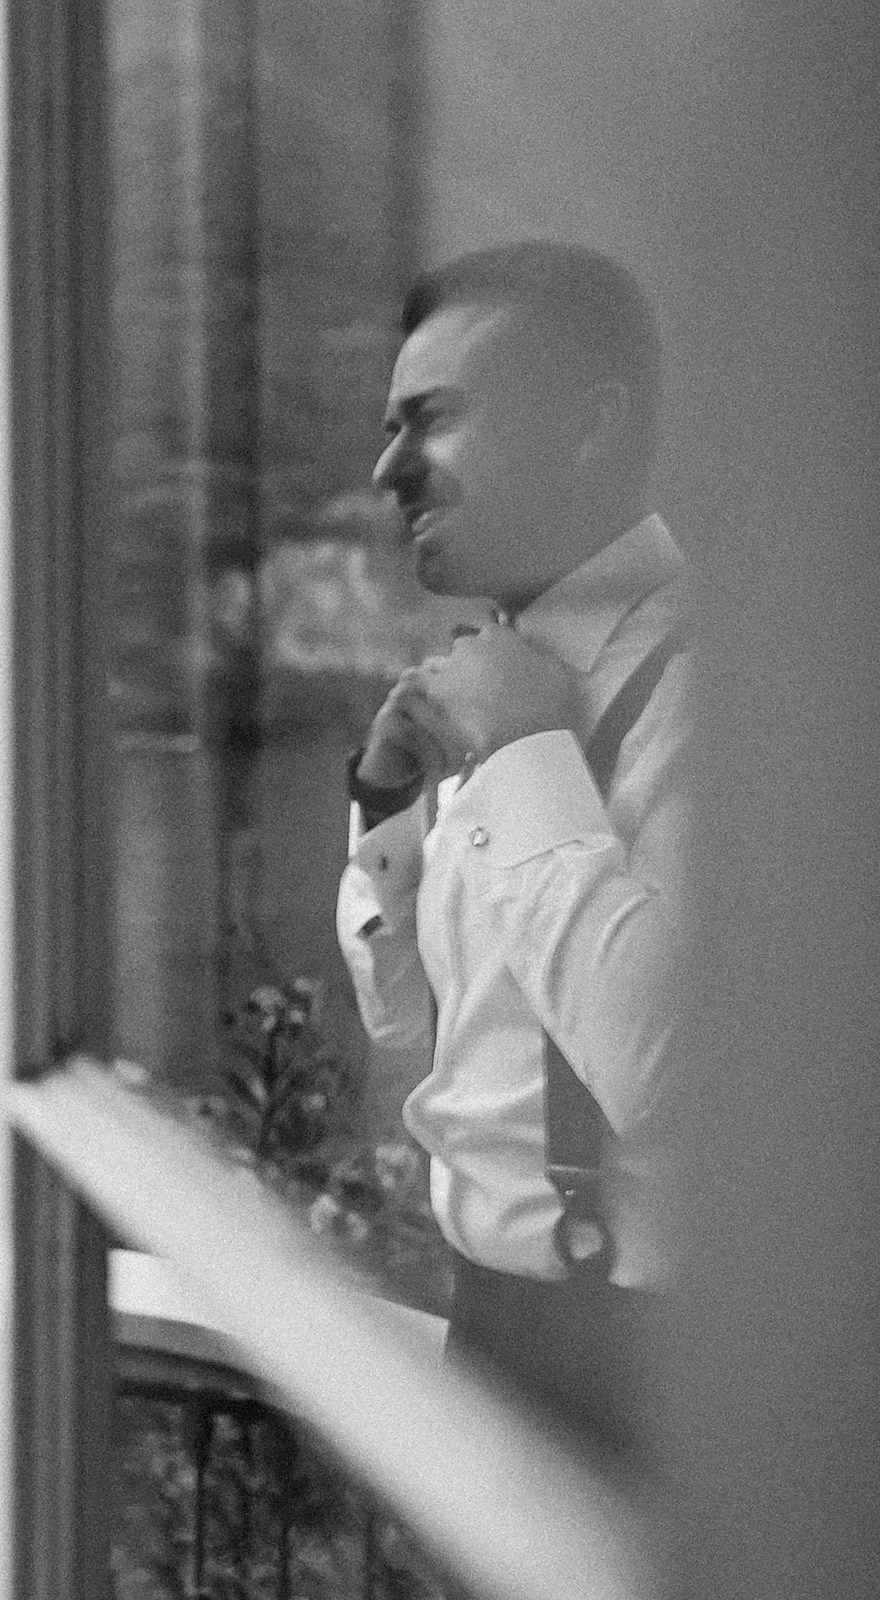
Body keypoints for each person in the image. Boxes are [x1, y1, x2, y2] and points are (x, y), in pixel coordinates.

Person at [336, 240, 690, 1469]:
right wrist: (384, 806)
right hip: (496, 1344)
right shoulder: (491, 682)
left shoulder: (724, 702)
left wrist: (533, 748)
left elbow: (673, 1075)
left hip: (650, 1374)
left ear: (589, 428)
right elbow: (424, 1043)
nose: (388, 470)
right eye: (389, 427)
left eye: (430, 420)